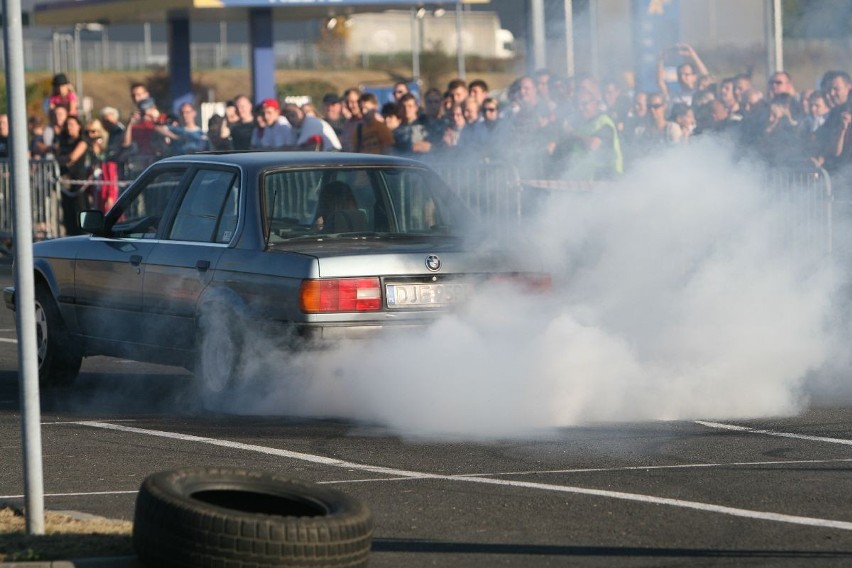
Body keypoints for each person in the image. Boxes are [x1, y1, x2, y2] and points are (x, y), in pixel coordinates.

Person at [55, 115, 90, 235]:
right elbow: (58, 156)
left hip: (79, 180)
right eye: (67, 125)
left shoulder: (83, 141)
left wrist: (65, 159)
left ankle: (84, 232)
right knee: (67, 209)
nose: (69, 128)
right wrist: (64, 159)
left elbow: (73, 157)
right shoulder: (63, 141)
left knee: (80, 207)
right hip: (66, 181)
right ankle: (70, 233)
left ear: (79, 126)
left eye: (72, 124)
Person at [84, 118, 119, 212]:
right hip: (96, 192)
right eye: (87, 132)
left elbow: (111, 178)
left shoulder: (108, 154)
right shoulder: (89, 153)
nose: (90, 135)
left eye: (93, 131)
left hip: (106, 192)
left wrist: (111, 196)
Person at [340, 87, 363, 152]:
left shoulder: (368, 122)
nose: (350, 105)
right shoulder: (348, 123)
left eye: (353, 102)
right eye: (347, 102)